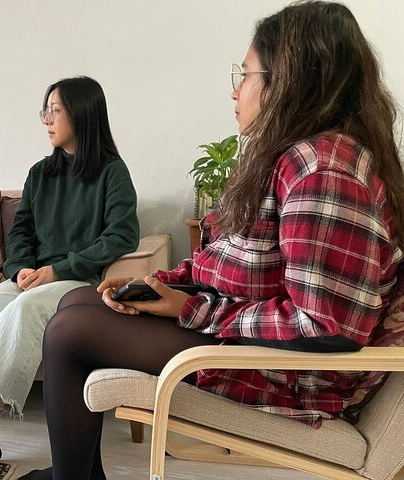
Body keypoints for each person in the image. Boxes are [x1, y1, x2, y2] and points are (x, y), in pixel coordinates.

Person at [21, 2, 404, 479]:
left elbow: (325, 327)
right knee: (77, 300)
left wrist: (188, 309)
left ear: (287, 80)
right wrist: (161, 285)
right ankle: (76, 474)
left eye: (245, 74)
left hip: (296, 374)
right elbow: (237, 261)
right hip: (257, 341)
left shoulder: (323, 171)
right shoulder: (297, 158)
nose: (234, 91)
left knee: (69, 332)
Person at [0, 76, 140, 480]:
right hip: (34, 276)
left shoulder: (112, 173)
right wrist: (20, 269)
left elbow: (122, 235)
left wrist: (60, 268)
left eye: (55, 110)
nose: (47, 119)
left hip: (77, 281)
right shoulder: (39, 173)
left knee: (27, 309)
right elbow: (21, 233)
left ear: (83, 113)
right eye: (44, 111)